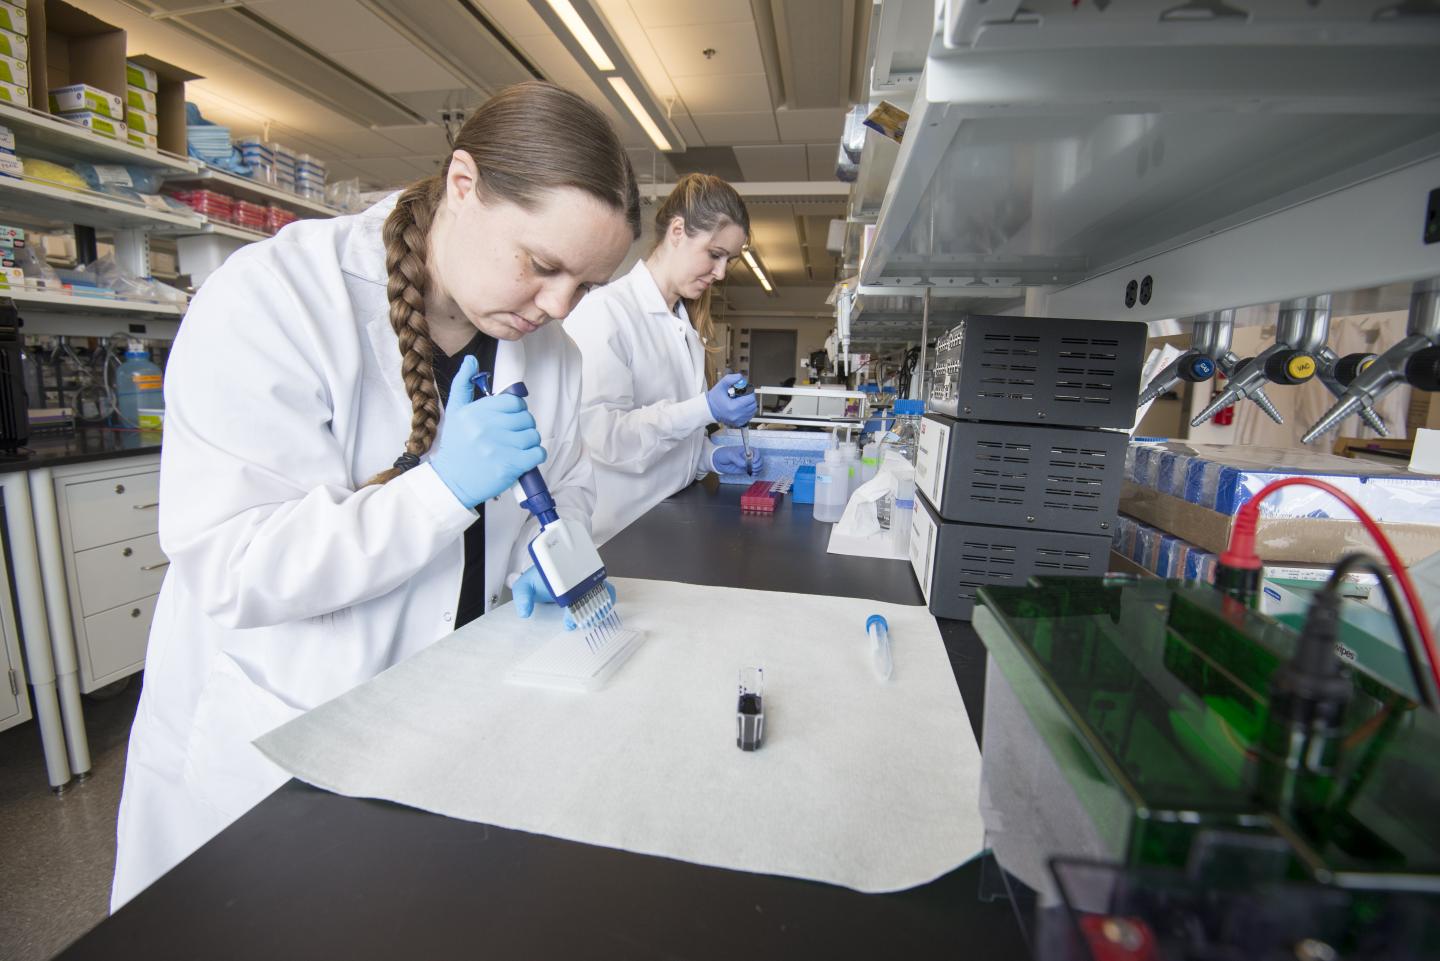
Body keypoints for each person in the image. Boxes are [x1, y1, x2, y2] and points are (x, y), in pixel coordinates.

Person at [110, 82, 640, 909]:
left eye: (588, 285)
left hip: (450, 722)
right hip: (280, 746)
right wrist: (440, 489)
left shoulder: (555, 357)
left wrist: (555, 542)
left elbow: (567, 482)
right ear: (463, 185)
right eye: (542, 265)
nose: (560, 306)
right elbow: (236, 564)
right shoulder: (274, 299)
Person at [565, 173, 760, 545]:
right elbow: (607, 439)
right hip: (620, 534)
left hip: (671, 519)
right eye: (714, 254)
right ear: (677, 231)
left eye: (728, 260)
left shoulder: (684, 325)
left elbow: (670, 435)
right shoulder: (606, 313)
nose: (720, 273)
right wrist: (704, 409)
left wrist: (708, 458)